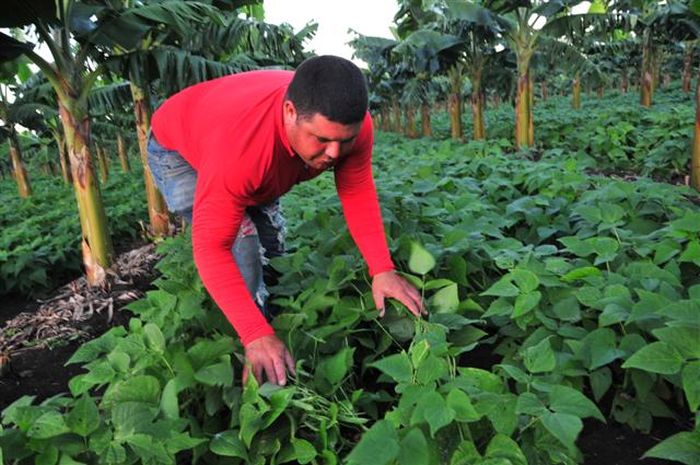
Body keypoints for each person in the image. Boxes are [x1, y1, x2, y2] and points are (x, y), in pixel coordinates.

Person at [148, 55, 425, 386]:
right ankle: (256, 355)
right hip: (177, 148)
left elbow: (356, 190)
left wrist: (382, 268)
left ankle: (275, 315)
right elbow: (212, 247)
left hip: (250, 150)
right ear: (291, 112)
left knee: (272, 247)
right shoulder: (241, 154)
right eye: (321, 139)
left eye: (344, 141)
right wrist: (254, 333)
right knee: (242, 244)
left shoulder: (353, 126)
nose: (335, 154)